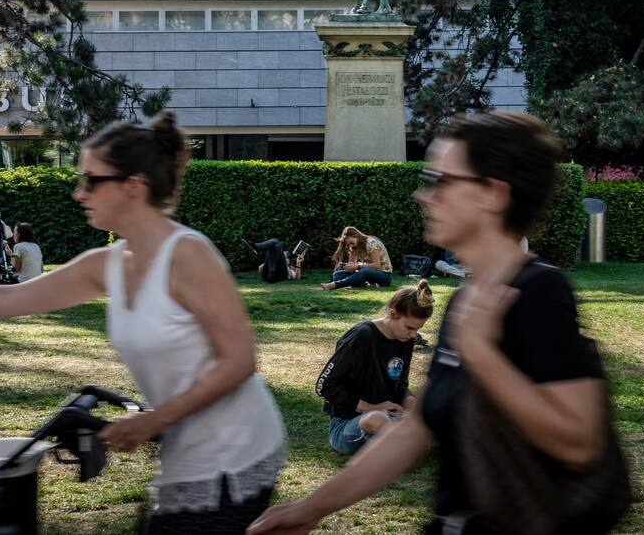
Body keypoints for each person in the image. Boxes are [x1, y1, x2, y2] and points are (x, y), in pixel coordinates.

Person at [0, 111, 285, 532]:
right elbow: (11, 298)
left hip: (236, 450)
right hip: (188, 448)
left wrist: (153, 421)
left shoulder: (188, 254)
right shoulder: (107, 263)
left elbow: (239, 360)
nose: (78, 192)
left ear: (132, 185)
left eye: (91, 180)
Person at [249, 112, 618, 535]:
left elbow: (579, 444)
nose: (423, 196)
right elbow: (415, 431)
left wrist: (481, 354)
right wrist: (312, 508)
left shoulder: (536, 292)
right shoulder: (467, 301)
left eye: (441, 181)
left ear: (492, 194)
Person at [315, 280, 434, 456]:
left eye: (417, 330)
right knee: (377, 419)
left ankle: (411, 438)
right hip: (350, 423)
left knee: (431, 411)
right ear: (393, 314)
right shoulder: (362, 336)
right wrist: (371, 407)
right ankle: (412, 441)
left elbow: (400, 386)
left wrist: (413, 406)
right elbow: (324, 386)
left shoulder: (406, 340)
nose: (413, 335)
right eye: (410, 328)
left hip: (390, 415)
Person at [323, 226, 392, 290]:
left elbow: (377, 265)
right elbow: (352, 267)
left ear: (356, 236)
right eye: (348, 244)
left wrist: (358, 266)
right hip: (365, 276)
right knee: (337, 275)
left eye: (351, 243)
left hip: (383, 275)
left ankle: (334, 285)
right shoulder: (354, 247)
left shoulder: (371, 242)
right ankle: (366, 284)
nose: (350, 245)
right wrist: (347, 267)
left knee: (365, 271)